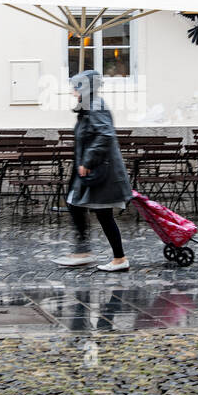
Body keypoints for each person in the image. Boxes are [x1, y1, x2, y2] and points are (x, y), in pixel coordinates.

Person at [56, 69, 132, 271]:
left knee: (101, 213)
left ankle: (118, 258)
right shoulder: (88, 106)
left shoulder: (95, 106)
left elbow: (105, 135)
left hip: (100, 171)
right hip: (94, 170)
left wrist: (87, 162)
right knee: (76, 204)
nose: (72, 91)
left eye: (76, 87)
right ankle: (84, 252)